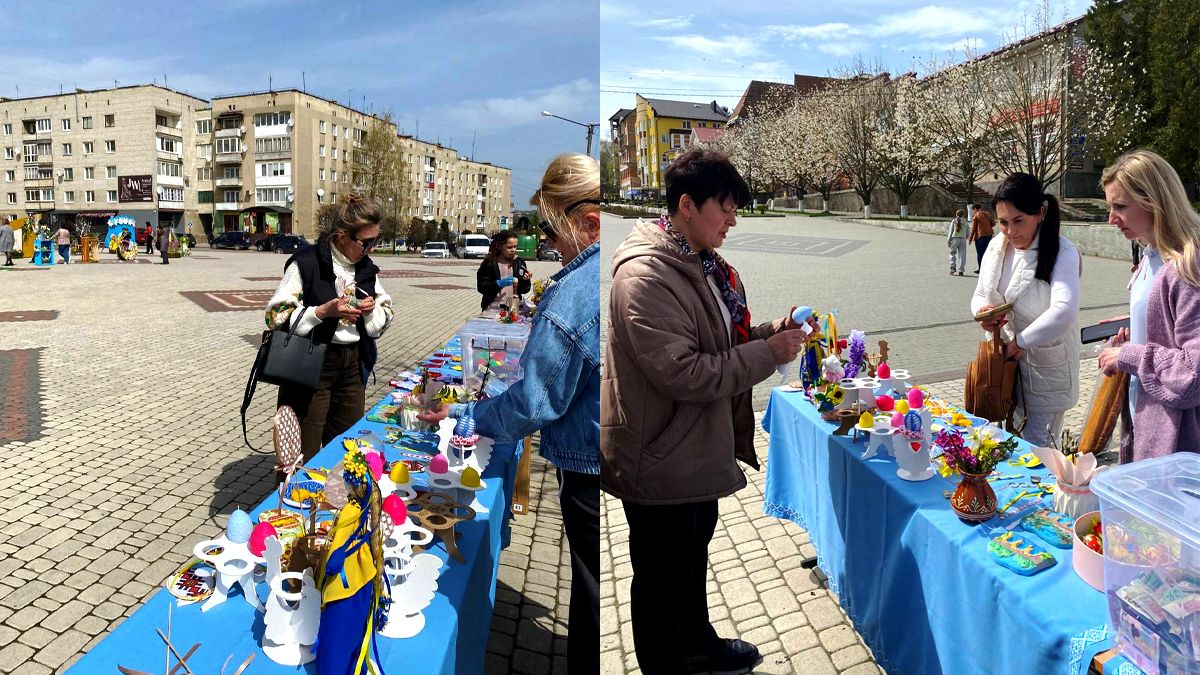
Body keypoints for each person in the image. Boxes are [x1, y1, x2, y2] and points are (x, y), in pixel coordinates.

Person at [602, 147, 811, 675]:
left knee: (689, 563)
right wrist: (768, 354)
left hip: (691, 451)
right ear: (688, 206)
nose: (734, 221)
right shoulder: (646, 277)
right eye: (726, 208)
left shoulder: (699, 262)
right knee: (661, 576)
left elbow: (718, 343)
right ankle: (666, 662)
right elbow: (687, 373)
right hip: (660, 454)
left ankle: (697, 645)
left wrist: (770, 334)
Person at [419, 153, 601, 674]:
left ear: (589, 222)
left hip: (589, 464)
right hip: (597, 449)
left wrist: (473, 418)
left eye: (551, 228)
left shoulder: (575, 292)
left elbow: (537, 400)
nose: (547, 243)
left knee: (590, 590)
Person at [264, 194, 394, 462]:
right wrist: (322, 312)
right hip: (311, 366)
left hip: (353, 366)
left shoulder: (367, 269)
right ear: (342, 234)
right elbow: (275, 316)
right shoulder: (306, 263)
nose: (371, 248)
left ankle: (340, 502)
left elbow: (385, 317)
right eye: (366, 242)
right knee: (301, 452)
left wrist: (370, 313)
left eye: (376, 240)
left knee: (347, 451)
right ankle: (293, 501)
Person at [1095, 150, 1200, 463]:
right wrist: (1136, 324)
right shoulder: (1152, 254)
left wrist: (1128, 355)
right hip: (1151, 420)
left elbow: (1194, 374)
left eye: (1120, 207)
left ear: (1154, 200)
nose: (1111, 219)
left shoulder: (1186, 267)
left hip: (1178, 442)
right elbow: (1170, 324)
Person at [971, 172, 1081, 446]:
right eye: (1004, 222)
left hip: (1046, 364)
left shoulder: (1062, 252)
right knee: (1008, 441)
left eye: (1019, 221)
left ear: (1040, 213)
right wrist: (982, 313)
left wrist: (1021, 342)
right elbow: (980, 293)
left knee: (1038, 448)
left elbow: (1063, 313)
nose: (1011, 231)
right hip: (1005, 365)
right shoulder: (997, 247)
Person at [476, 229, 532, 311]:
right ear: (500, 246)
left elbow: (524, 290)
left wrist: (525, 280)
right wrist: (497, 283)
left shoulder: (519, 262)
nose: (513, 250)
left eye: (515, 247)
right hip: (493, 307)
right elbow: (481, 287)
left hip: (513, 308)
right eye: (509, 247)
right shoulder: (490, 262)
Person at [968, 202, 995, 273]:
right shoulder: (988, 214)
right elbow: (994, 223)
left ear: (975, 209)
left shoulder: (976, 216)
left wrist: (970, 239)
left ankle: (981, 269)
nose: (973, 211)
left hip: (980, 237)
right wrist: (988, 227)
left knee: (980, 253)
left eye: (973, 210)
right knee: (987, 252)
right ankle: (988, 268)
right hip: (989, 235)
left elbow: (973, 229)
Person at [947, 209, 968, 275]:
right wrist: (966, 236)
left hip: (955, 239)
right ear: (963, 215)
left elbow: (950, 232)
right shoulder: (965, 222)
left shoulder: (954, 221)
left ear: (956, 215)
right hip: (963, 239)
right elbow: (968, 232)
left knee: (952, 253)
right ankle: (961, 270)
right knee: (962, 255)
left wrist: (948, 241)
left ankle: (953, 267)